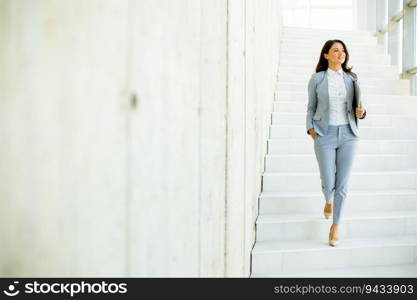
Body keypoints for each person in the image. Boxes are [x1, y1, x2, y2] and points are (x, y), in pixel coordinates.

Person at [306, 39, 366, 247]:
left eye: (343, 51)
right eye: (336, 50)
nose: (341, 54)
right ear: (326, 55)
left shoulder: (352, 78)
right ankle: (327, 200)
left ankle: (335, 226)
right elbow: (310, 107)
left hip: (349, 134)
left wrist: (362, 112)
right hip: (325, 133)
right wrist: (311, 129)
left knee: (342, 184)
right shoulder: (317, 79)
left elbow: (360, 106)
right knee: (328, 180)